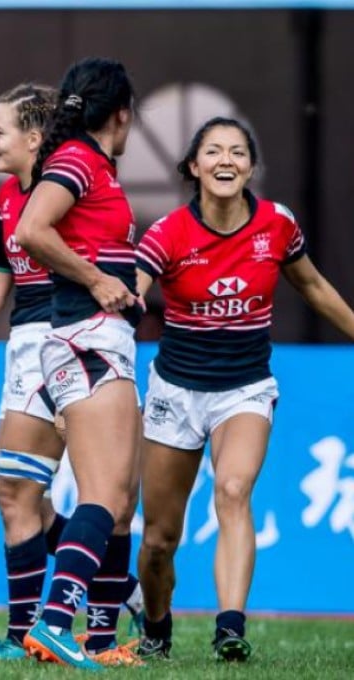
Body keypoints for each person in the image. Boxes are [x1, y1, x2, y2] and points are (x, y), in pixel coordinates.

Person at [0, 82, 145, 664]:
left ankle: (98, 629)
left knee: (112, 496)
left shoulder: (74, 177)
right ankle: (28, 630)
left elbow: (102, 252)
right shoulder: (8, 197)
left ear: (35, 137)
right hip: (31, 347)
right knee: (17, 491)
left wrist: (106, 287)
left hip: (73, 333)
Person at [135, 117, 354, 662]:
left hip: (245, 388)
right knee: (160, 539)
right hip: (175, 392)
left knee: (233, 491)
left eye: (237, 151)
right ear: (193, 166)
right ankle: (156, 629)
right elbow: (129, 297)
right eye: (213, 151)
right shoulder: (166, 234)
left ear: (251, 167)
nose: (226, 160)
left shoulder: (277, 225)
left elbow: (313, 287)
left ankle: (229, 629)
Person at [12, 58, 143, 670]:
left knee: (114, 500)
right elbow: (32, 230)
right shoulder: (78, 161)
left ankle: (89, 637)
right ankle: (56, 622)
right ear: (124, 112)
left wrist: (121, 285)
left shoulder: (94, 166)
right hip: (85, 337)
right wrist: (96, 280)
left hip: (94, 335)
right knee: (104, 494)